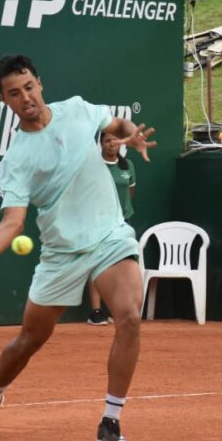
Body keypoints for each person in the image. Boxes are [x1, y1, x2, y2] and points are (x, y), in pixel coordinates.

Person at [0, 54, 156, 441]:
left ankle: (111, 419)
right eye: (14, 93)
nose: (25, 97)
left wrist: (132, 135)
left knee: (128, 315)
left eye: (28, 87)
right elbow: (12, 224)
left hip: (109, 236)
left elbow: (117, 125)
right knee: (29, 340)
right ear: (4, 100)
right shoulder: (17, 159)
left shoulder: (76, 109)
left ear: (40, 83)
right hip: (61, 253)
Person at [87, 132, 137, 326]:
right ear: (101, 144)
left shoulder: (128, 166)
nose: (112, 144)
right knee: (98, 266)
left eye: (116, 140)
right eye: (107, 141)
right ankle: (96, 312)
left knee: (122, 269)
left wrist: (119, 215)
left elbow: (129, 192)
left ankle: (118, 310)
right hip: (98, 223)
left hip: (123, 224)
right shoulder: (94, 166)